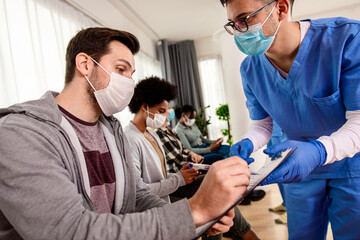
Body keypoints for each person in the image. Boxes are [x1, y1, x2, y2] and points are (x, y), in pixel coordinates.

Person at [0, 27, 252, 239]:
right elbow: (69, 231)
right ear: (85, 64)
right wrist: (193, 212)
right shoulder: (22, 134)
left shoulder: (112, 130)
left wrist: (196, 220)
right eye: (121, 69)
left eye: (132, 74)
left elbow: (137, 197)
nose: (129, 82)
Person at [220, 0, 360, 239]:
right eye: (233, 24)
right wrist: (249, 142)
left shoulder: (345, 39)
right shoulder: (250, 69)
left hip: (351, 168)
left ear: (281, 9)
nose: (239, 31)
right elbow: (264, 123)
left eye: (245, 19)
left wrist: (318, 151)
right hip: (298, 171)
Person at [125, 77, 261, 240]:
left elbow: (161, 174)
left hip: (166, 194)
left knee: (214, 187)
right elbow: (137, 193)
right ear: (144, 107)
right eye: (161, 111)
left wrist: (181, 175)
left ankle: (243, 213)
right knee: (213, 201)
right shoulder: (131, 139)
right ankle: (247, 233)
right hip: (155, 207)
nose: (165, 116)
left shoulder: (151, 134)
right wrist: (179, 180)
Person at [267, 121, 287, 224]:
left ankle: (291, 210)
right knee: (277, 172)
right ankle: (285, 204)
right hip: (271, 133)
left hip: (280, 134)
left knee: (285, 172)